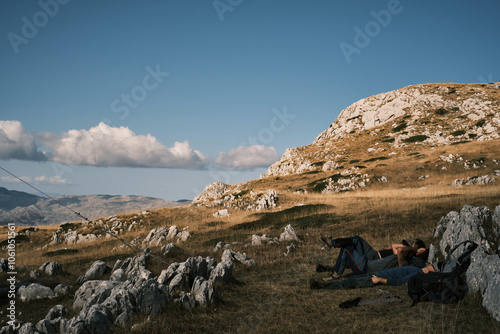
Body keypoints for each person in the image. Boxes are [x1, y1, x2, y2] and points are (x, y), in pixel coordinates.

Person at [316, 235, 427, 280]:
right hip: (365, 265)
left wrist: (415, 250)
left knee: (347, 248)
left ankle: (335, 274)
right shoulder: (400, 258)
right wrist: (414, 249)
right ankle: (333, 243)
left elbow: (401, 250)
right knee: (355, 240)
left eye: (414, 245)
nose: (411, 245)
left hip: (364, 269)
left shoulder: (403, 263)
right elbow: (399, 250)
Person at [310, 263, 435, 290]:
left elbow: (399, 281)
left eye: (432, 267)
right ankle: (323, 284)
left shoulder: (418, 273)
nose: (430, 265)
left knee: (350, 283)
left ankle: (321, 287)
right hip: (377, 274)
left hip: (376, 278)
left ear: (430, 271)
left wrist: (380, 280)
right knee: (350, 280)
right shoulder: (417, 269)